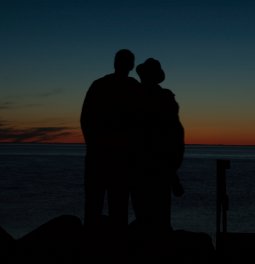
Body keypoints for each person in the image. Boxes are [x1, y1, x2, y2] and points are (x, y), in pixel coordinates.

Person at [80, 49, 141, 260]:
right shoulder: (133, 88)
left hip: (104, 157)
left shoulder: (100, 85)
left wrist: (95, 145)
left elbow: (85, 120)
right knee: (116, 208)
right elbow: (141, 125)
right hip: (118, 159)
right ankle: (114, 251)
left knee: (98, 206)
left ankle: (94, 248)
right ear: (130, 65)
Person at [131, 58, 185, 235]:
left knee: (145, 211)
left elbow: (174, 133)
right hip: (156, 163)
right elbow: (175, 133)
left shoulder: (137, 96)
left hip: (143, 162)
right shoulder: (165, 97)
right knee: (159, 213)